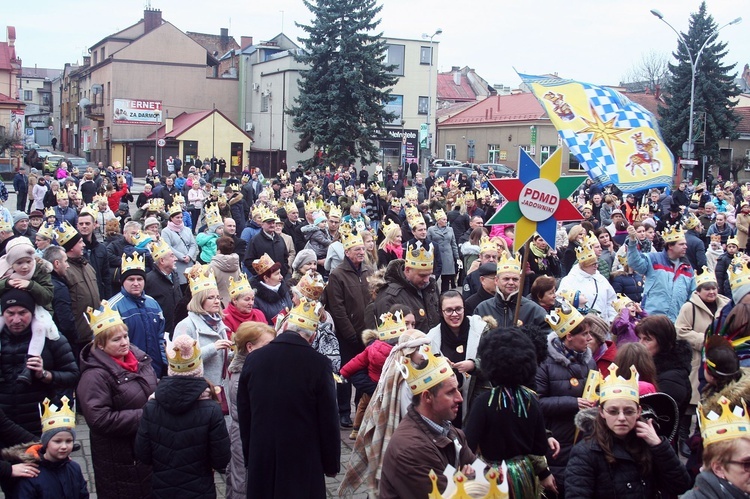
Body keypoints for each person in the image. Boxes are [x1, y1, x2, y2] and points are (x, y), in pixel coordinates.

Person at [237, 298, 340, 499]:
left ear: (284, 326)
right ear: (312, 338)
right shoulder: (319, 364)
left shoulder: (254, 359)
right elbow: (328, 418)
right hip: (302, 457)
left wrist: (250, 453)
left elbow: (245, 412)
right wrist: (331, 463)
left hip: (263, 453)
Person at [565, 364, 691, 497]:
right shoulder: (585, 452)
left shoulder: (648, 443)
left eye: (629, 411)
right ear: (602, 412)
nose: (621, 418)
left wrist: (659, 446)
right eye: (613, 411)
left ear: (639, 412)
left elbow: (681, 486)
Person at [77, 300, 157, 499]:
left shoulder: (140, 360)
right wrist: (147, 414)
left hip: (145, 448)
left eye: (125, 336)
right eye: (116, 340)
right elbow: (99, 419)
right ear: (101, 345)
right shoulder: (94, 376)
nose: (124, 342)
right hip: (120, 457)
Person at [464, 327, 556, 497]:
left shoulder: (483, 402)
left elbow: (468, 444)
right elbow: (540, 446)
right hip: (524, 475)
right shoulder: (531, 399)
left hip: (492, 477)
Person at [134, 335, 230, 498]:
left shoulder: (151, 406)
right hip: (200, 490)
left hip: (162, 490)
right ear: (199, 367)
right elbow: (221, 460)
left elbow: (143, 454)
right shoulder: (212, 409)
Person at [378, 346, 476, 499]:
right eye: (450, 392)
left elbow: (483, 471)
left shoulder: (451, 432)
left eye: (457, 389)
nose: (460, 398)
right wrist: (468, 483)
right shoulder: (411, 449)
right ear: (427, 397)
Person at [536, 302, 596, 497]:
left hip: (585, 437)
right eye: (585, 334)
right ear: (569, 336)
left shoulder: (590, 360)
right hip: (557, 440)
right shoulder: (545, 363)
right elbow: (538, 402)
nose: (589, 339)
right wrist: (573, 403)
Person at [0, 288, 78, 436]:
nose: (16, 320)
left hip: (40, 424)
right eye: (10, 313)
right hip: (4, 425)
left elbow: (73, 375)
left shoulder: (52, 338)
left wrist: (45, 375)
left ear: (33, 312)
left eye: (22, 313)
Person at [324, 230, 372, 429]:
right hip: (348, 335)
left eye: (362, 248)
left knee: (366, 374)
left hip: (367, 333)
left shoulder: (369, 271)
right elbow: (337, 307)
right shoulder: (338, 274)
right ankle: (344, 411)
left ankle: (361, 409)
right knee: (345, 374)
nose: (361, 252)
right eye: (357, 249)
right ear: (347, 251)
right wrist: (350, 333)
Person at [225, 321, 275, 499]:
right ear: (250, 347)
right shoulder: (243, 376)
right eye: (267, 345)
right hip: (246, 437)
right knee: (243, 482)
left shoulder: (256, 369)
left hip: (251, 434)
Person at [426, 290, 488, 427]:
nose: (455, 314)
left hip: (476, 401)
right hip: (446, 404)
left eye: (458, 309)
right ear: (441, 312)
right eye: (449, 310)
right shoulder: (432, 338)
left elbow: (494, 362)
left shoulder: (481, 330)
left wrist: (473, 365)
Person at [11, 396, 89, 498]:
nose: (64, 446)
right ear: (46, 443)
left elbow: (83, 494)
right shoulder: (32, 474)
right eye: (57, 441)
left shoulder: (74, 468)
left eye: (69, 441)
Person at [109, 252, 167, 378]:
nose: (136, 283)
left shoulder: (153, 304)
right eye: (131, 279)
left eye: (139, 279)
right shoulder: (112, 307)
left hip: (155, 368)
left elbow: (160, 337)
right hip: (129, 372)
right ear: (122, 281)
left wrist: (164, 363)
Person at [173, 264, 232, 386]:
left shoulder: (218, 322)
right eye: (211, 298)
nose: (217, 301)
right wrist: (213, 348)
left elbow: (222, 360)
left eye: (218, 297)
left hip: (221, 387)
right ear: (199, 300)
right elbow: (180, 362)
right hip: (199, 389)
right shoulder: (185, 325)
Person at [627, 224, 696, 321]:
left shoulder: (688, 268)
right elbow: (635, 263)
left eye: (685, 244)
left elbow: (693, 295)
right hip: (651, 318)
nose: (685, 247)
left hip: (675, 321)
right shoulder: (654, 259)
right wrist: (632, 241)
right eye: (681, 244)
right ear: (670, 246)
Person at [474, 251, 549, 330]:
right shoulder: (483, 309)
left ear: (520, 281)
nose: (511, 283)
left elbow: (546, 337)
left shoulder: (534, 311)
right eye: (506, 279)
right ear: (496, 280)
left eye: (515, 279)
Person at [558, 241, 617, 322]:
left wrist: (612, 319)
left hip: (603, 325)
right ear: (584, 265)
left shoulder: (601, 279)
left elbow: (611, 301)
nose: (596, 266)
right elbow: (561, 303)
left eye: (596, 263)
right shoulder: (569, 280)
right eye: (593, 264)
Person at [248, 253, 292, 326]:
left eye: (280, 273)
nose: (281, 277)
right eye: (277, 274)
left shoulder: (283, 289)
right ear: (266, 278)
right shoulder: (255, 298)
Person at [428, 209, 459, 294]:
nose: (446, 221)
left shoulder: (450, 229)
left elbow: (453, 244)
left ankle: (444, 295)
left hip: (448, 256)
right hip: (436, 256)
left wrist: (457, 257)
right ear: (438, 220)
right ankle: (433, 294)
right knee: (434, 277)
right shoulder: (431, 229)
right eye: (444, 219)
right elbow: (428, 243)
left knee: (446, 278)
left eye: (446, 219)